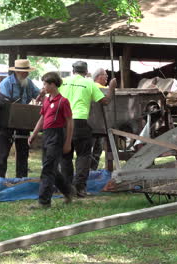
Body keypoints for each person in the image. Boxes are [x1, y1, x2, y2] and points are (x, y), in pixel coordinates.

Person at [59, 61, 115, 197]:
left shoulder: (63, 82)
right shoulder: (89, 83)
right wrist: (112, 87)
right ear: (86, 72)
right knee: (83, 156)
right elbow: (105, 101)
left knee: (65, 156)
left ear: (73, 70)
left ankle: (67, 188)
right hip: (79, 122)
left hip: (63, 123)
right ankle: (80, 188)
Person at [28, 72, 74, 208]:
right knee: (51, 167)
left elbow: (70, 122)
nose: (43, 87)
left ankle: (44, 202)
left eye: (45, 84)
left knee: (48, 169)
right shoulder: (47, 100)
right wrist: (34, 134)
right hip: (47, 135)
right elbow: (42, 118)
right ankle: (68, 191)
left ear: (52, 84)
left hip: (57, 135)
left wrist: (68, 142)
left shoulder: (63, 101)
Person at [0, 59, 43, 178]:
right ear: (17, 72)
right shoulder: (6, 83)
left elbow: (38, 95)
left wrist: (43, 96)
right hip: (7, 122)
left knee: (23, 152)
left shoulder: (29, 83)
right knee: (3, 153)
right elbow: (4, 103)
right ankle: (0, 179)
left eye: (27, 72)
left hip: (23, 123)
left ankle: (22, 179)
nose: (26, 74)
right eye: (24, 72)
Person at [89, 68, 117, 170]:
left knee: (95, 151)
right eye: (105, 75)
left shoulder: (92, 86)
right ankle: (90, 171)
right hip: (97, 124)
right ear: (98, 76)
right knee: (94, 151)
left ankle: (91, 171)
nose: (107, 77)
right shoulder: (97, 87)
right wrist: (111, 87)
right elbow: (106, 100)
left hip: (95, 125)